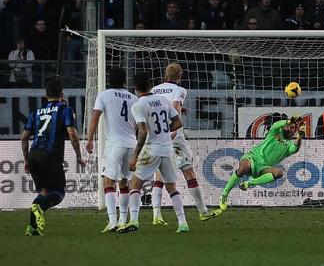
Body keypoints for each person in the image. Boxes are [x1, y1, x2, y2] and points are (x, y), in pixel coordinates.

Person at [116, 72, 189, 233]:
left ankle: (133, 221)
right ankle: (182, 223)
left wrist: (135, 156)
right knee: (172, 187)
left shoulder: (138, 106)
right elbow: (178, 122)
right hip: (167, 149)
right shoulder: (163, 100)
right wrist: (163, 132)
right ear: (150, 85)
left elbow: (142, 132)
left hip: (151, 150)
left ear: (135, 88)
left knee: (135, 185)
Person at [150, 63, 222, 225]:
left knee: (159, 176)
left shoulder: (154, 89)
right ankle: (203, 211)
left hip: (157, 135)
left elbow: (157, 108)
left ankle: (156, 215)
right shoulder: (180, 90)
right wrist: (173, 126)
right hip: (174, 134)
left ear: (165, 75)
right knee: (189, 172)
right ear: (180, 75)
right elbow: (174, 106)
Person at [21, 78, 85, 236]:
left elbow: (23, 137)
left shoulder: (35, 112)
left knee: (44, 190)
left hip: (34, 154)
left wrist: (27, 159)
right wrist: (78, 156)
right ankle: (39, 208)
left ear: (45, 95)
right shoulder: (65, 109)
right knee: (59, 192)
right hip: (50, 155)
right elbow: (72, 133)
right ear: (62, 94)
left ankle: (32, 227)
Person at [86, 67, 139, 233]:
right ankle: (123, 219)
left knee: (108, 182)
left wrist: (89, 139)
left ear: (109, 80)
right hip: (132, 143)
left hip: (114, 144)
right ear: (125, 81)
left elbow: (95, 116)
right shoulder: (134, 98)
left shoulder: (104, 95)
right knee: (124, 182)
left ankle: (112, 221)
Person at [219, 116, 305, 211]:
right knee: (244, 168)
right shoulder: (276, 132)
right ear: (284, 126)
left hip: (263, 167)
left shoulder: (289, 146)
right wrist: (290, 121)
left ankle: (248, 183)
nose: (289, 129)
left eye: (292, 127)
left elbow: (296, 147)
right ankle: (224, 194)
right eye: (288, 126)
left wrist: (300, 135)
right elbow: (276, 124)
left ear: (295, 131)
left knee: (279, 173)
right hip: (252, 157)